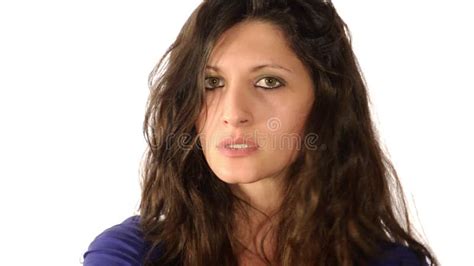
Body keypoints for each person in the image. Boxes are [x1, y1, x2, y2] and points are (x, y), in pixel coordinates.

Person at [83, 0, 439, 265]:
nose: (234, 113)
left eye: (268, 82)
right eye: (212, 82)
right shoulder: (129, 255)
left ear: (326, 102)